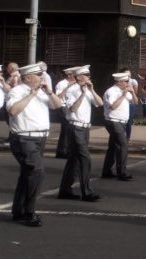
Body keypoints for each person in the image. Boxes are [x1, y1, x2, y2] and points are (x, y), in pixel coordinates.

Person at [6, 63, 64, 227]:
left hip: (40, 138)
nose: (42, 77)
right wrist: (31, 95)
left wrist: (49, 92)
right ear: (28, 77)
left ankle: (18, 211)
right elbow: (13, 111)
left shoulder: (43, 92)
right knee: (37, 172)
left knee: (27, 174)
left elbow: (58, 105)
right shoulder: (16, 91)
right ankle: (28, 212)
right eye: (39, 75)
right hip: (24, 138)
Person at [57, 65, 103, 202]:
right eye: (86, 75)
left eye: (89, 75)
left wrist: (91, 90)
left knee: (74, 160)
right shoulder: (72, 90)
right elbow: (73, 108)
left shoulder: (88, 89)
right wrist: (82, 94)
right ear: (79, 77)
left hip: (84, 128)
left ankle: (64, 190)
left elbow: (99, 103)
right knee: (85, 159)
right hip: (75, 127)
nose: (89, 78)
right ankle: (87, 192)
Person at [102, 71, 138, 181]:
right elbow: (113, 106)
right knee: (123, 145)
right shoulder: (111, 91)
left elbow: (135, 102)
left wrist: (132, 93)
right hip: (113, 121)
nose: (128, 83)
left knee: (113, 146)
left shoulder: (125, 90)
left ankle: (106, 171)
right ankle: (122, 172)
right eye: (126, 81)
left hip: (122, 122)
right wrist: (123, 95)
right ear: (119, 82)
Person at [53, 66, 80, 159]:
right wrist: (67, 87)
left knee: (68, 130)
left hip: (70, 107)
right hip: (63, 106)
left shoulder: (77, 84)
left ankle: (66, 150)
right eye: (74, 74)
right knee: (66, 129)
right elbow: (58, 97)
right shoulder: (61, 84)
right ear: (69, 75)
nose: (76, 76)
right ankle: (63, 151)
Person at [121, 68, 140, 142]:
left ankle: (128, 137)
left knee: (129, 122)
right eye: (126, 74)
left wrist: (130, 88)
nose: (128, 75)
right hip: (122, 103)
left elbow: (135, 93)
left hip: (131, 103)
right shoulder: (120, 82)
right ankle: (122, 136)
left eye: (129, 74)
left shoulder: (133, 81)